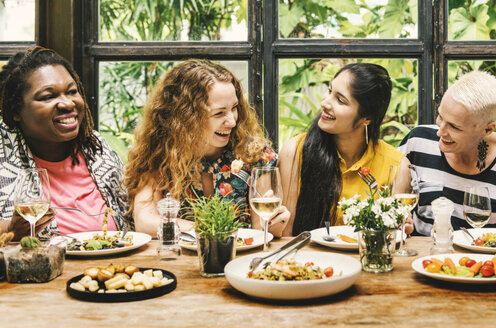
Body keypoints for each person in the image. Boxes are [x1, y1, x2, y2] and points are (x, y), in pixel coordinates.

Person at [125, 59, 289, 237]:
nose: (232, 121)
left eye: (234, 108)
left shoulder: (254, 153)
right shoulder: (160, 151)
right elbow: (144, 221)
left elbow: (261, 230)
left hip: (238, 259)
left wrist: (275, 224)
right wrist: (206, 231)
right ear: (186, 117)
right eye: (219, 113)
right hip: (179, 261)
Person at [0, 47, 129, 239]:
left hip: (113, 267)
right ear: (16, 111)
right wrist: (11, 230)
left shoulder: (98, 149)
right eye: (48, 96)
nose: (68, 103)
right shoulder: (4, 157)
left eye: (72, 91)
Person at [399, 70, 496, 235]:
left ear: (487, 129)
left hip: (486, 259)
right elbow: (393, 205)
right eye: (440, 116)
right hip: (424, 258)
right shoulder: (418, 141)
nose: (440, 132)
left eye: (454, 127)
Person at [279, 62, 412, 236]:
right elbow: (287, 235)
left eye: (340, 100)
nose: (325, 103)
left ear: (367, 118)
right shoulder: (295, 151)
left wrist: (402, 226)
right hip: (308, 260)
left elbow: (392, 239)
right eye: (329, 90)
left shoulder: (397, 167)